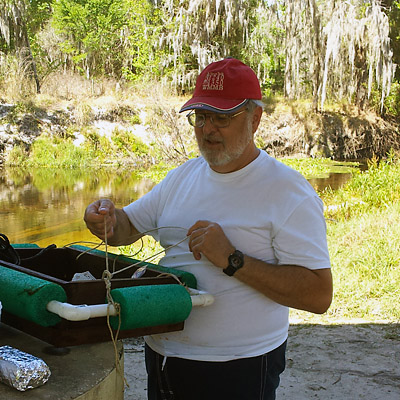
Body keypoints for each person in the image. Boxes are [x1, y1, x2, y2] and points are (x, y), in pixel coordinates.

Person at [84, 58, 333, 400]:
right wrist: (105, 219)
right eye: (200, 117)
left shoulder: (288, 192)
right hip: (163, 357)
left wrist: (232, 259)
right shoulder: (183, 176)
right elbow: (127, 227)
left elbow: (319, 295)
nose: (207, 129)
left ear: (255, 118)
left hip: (239, 368)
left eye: (222, 117)